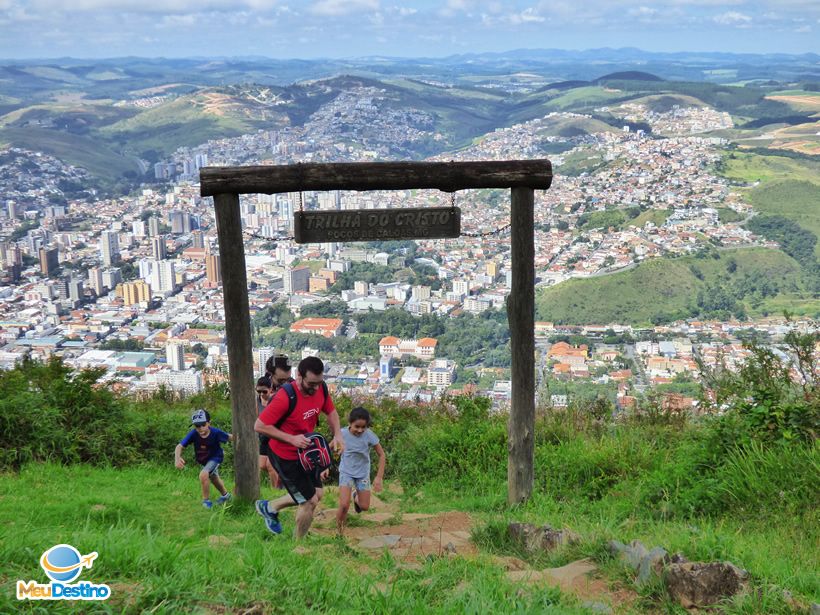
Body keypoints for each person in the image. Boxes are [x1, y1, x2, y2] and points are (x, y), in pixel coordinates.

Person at [254, 356, 344, 538]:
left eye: (319, 383)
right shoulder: (285, 397)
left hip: (306, 452)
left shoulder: (321, 390)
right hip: (284, 454)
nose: (316, 388)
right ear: (299, 376)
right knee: (309, 501)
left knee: (318, 493)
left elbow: (331, 411)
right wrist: (291, 439)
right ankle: (297, 547)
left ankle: (270, 507)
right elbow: (259, 426)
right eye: (312, 383)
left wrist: (338, 434)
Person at [334, 406, 386, 534]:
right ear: (350, 423)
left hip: (362, 473)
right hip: (346, 471)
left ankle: (355, 495)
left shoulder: (369, 436)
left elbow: (382, 455)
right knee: (344, 504)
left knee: (364, 507)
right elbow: (329, 447)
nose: (360, 430)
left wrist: (379, 477)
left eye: (364, 427)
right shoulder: (342, 433)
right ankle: (340, 533)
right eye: (357, 426)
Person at [175, 409, 233, 509]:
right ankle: (226, 496)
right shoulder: (194, 434)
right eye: (198, 426)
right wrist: (177, 458)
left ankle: (206, 501)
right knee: (213, 477)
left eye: (203, 425)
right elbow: (179, 446)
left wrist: (245, 437)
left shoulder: (216, 433)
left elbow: (230, 437)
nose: (201, 428)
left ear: (209, 423)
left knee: (203, 474)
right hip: (204, 460)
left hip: (216, 458)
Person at [255, 376, 280, 491]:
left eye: (264, 391)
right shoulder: (257, 401)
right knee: (261, 465)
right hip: (263, 437)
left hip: (275, 436)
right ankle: (282, 480)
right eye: (258, 391)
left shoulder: (276, 400)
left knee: (271, 466)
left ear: (271, 389)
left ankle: (274, 490)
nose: (261, 394)